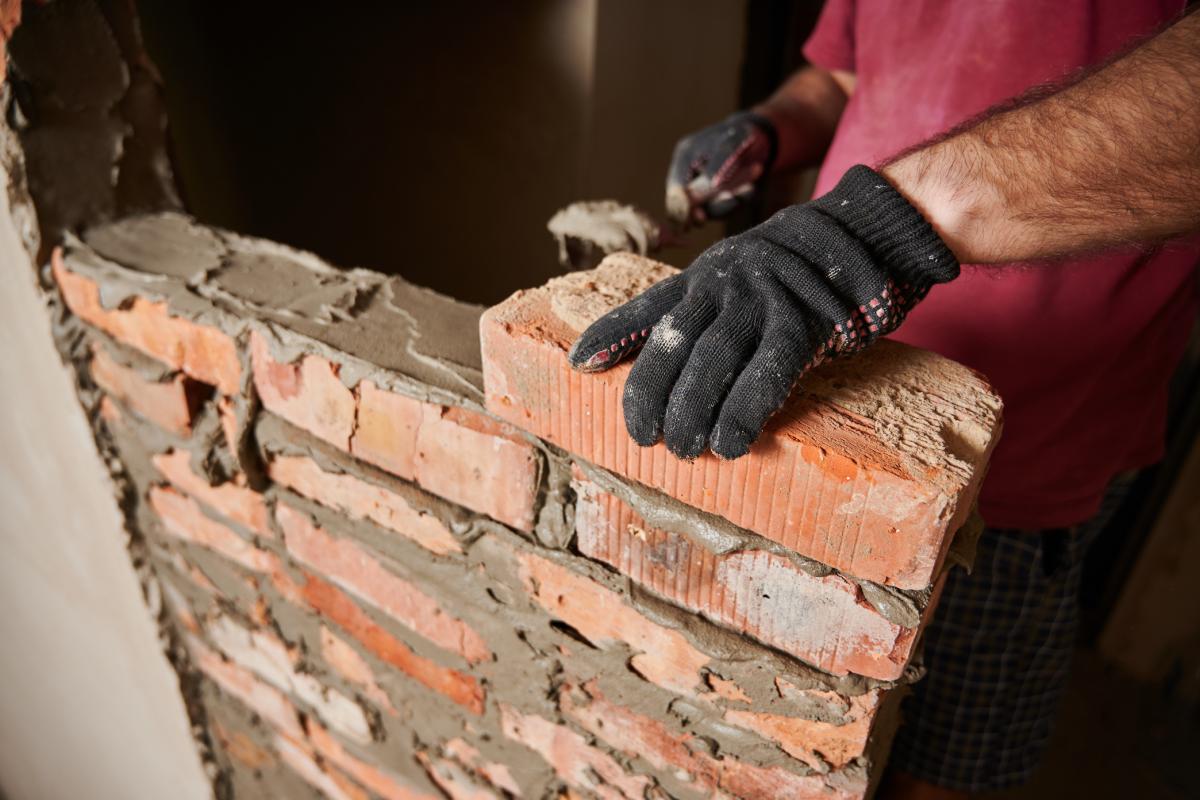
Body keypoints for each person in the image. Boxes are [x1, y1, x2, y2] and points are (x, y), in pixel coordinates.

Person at [568, 3, 1200, 798]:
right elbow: (837, 78)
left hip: (1021, 461)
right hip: (819, 393)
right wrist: (770, 129)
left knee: (938, 763)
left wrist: (875, 232)